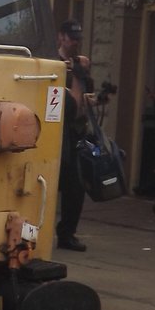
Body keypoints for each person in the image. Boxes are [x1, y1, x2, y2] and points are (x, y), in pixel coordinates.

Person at [56, 19, 94, 251]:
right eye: (71, 38)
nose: (75, 43)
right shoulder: (53, 62)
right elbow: (66, 103)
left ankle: (67, 233)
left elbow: (85, 100)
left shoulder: (80, 65)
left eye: (78, 39)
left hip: (76, 131)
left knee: (75, 186)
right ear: (61, 37)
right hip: (57, 130)